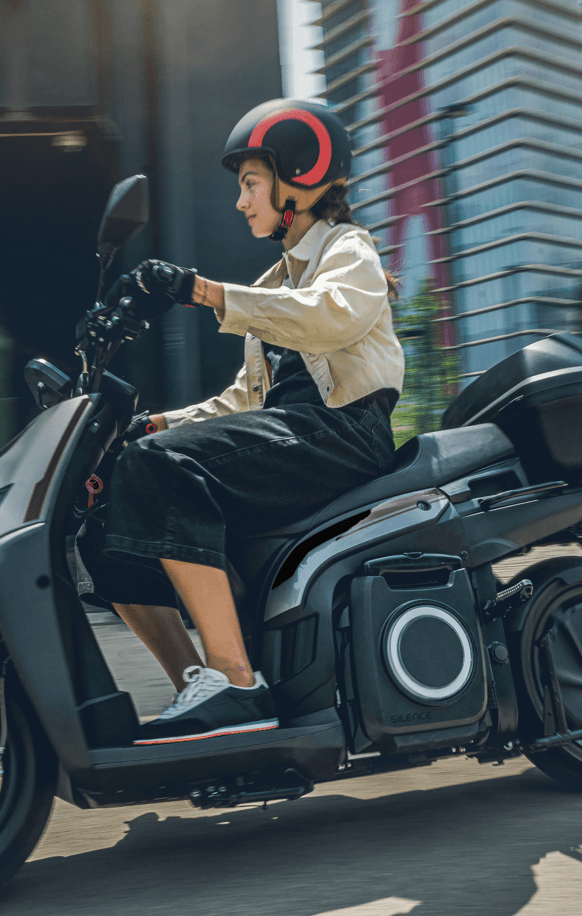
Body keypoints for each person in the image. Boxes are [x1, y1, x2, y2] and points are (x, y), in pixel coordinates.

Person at [77, 98, 404, 741]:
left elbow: (328, 316)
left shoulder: (347, 251)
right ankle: (199, 692)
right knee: (108, 513)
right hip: (292, 436)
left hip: (345, 432)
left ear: (301, 176)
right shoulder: (274, 282)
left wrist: (199, 289)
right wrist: (151, 426)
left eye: (251, 183)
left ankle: (235, 681)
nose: (241, 201)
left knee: (160, 470)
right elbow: (242, 404)